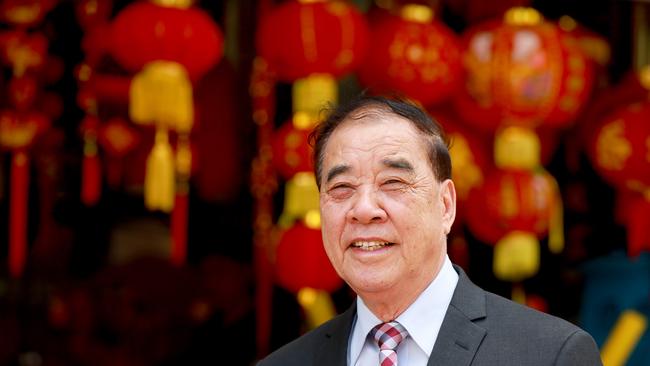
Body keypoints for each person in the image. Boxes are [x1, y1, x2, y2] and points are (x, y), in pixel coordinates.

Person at [258, 95, 602, 366]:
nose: (363, 209)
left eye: (393, 182)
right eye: (342, 187)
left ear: (446, 205)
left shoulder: (549, 355)